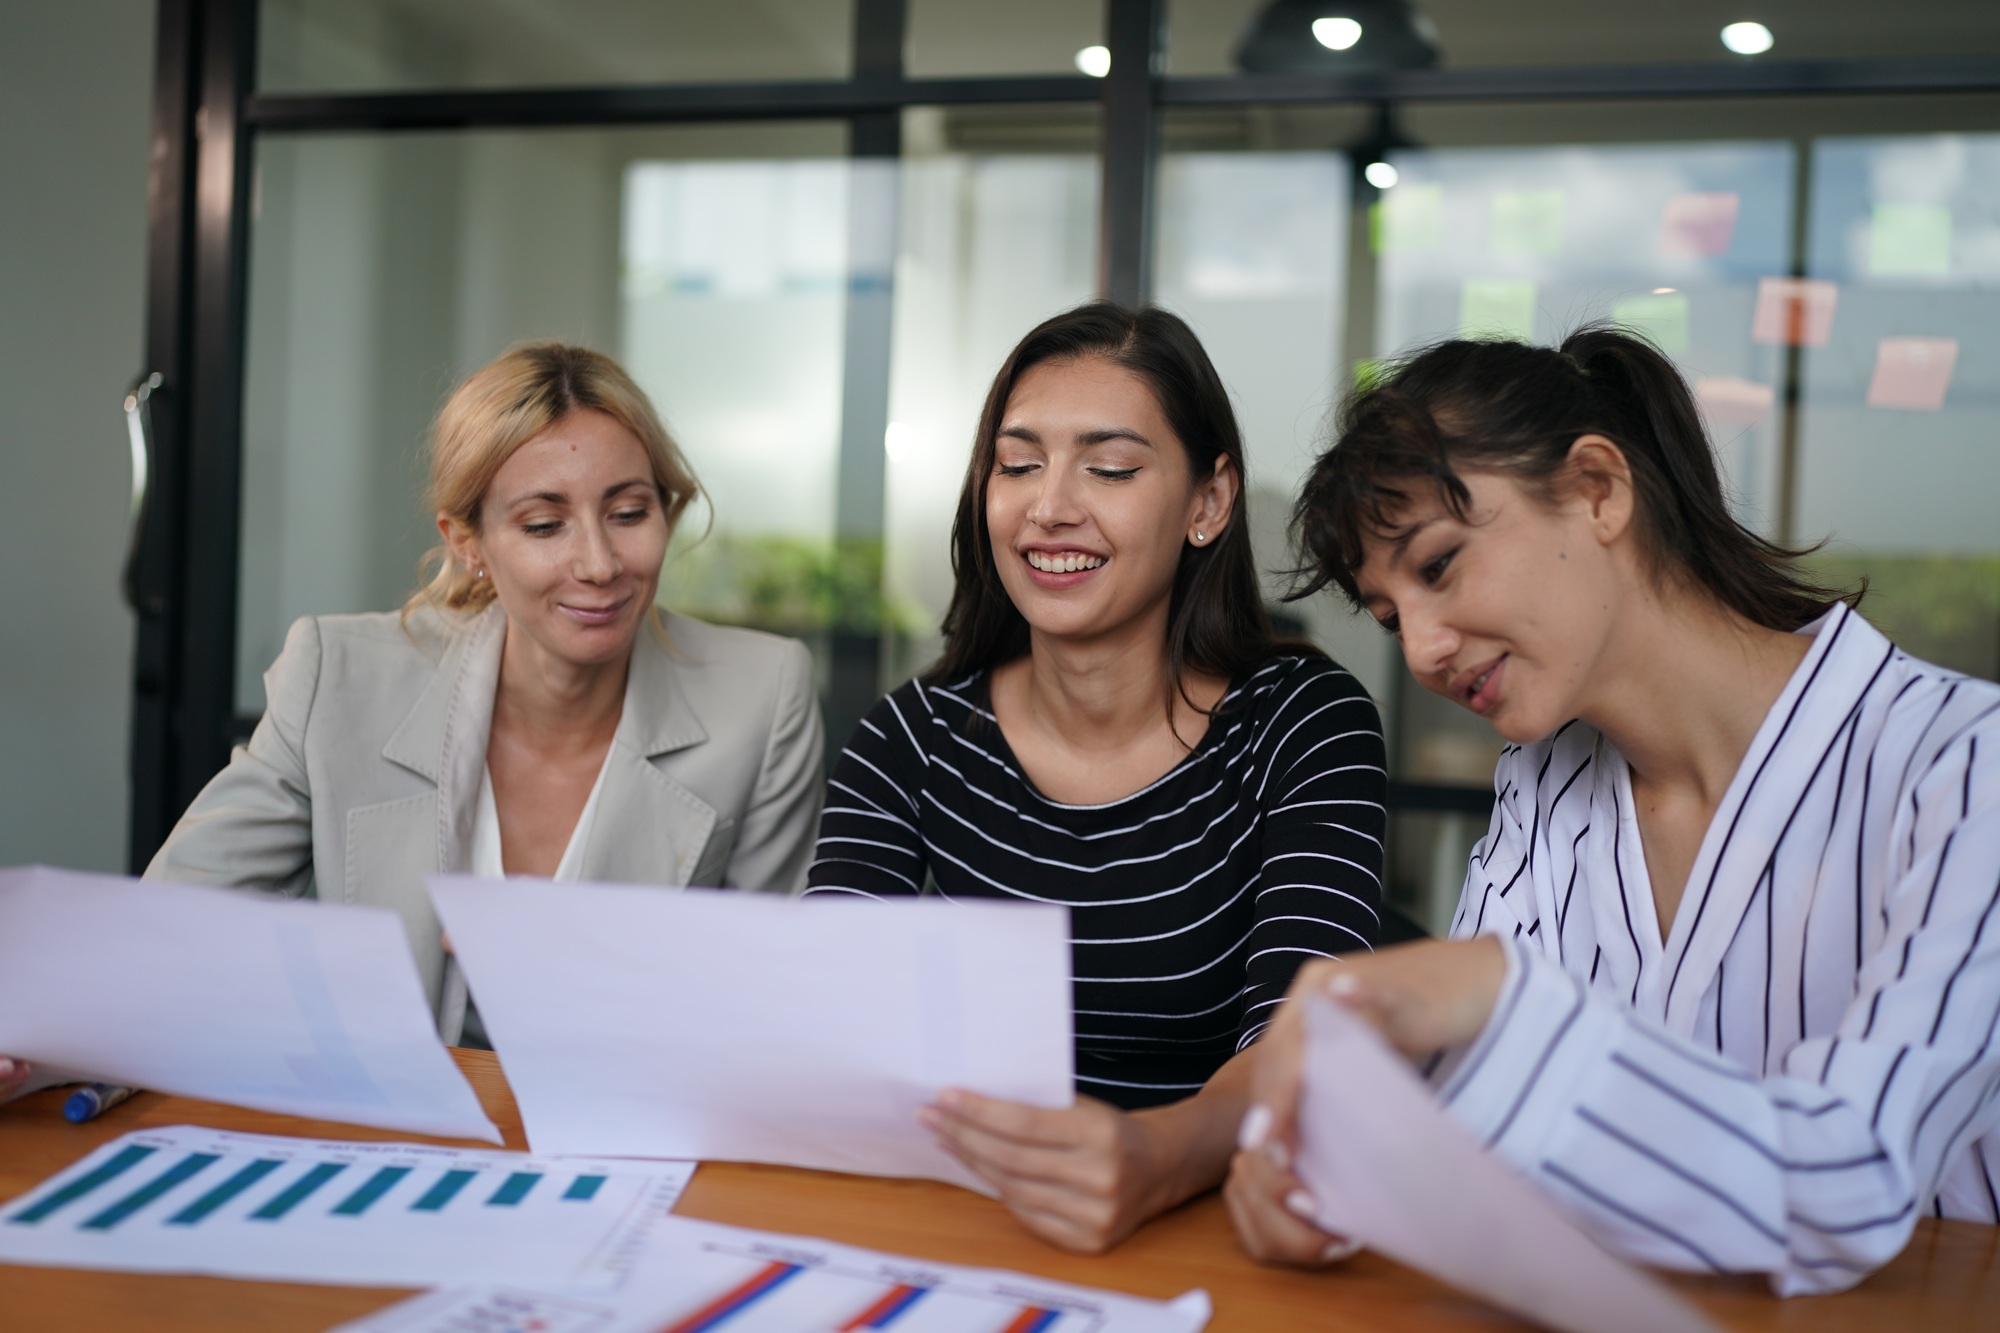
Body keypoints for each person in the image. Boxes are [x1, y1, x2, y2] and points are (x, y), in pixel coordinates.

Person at [1224, 327, 2000, 1295]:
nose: (1421, 648)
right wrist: (1334, 1163)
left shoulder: (1967, 767)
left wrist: (1498, 997)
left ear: (1597, 487)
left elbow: (1847, 1182)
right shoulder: (1542, 784)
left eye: (1437, 566)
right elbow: (1464, 1139)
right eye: (1387, 618)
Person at [806, 302, 1387, 1253]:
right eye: (1018, 462)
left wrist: (1157, 1156)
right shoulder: (910, 738)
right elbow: (831, 1021)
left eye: (1110, 468)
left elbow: (1301, 1038)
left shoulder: (1301, 722)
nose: (1049, 507)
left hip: (1213, 1232)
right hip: (955, 1220)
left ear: (1210, 501)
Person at [128, 343, 821, 1048]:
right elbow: (169, 931)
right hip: (398, 1126)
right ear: (468, 542)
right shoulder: (338, 676)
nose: (600, 564)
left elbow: (779, 1000)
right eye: (545, 525)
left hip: (634, 1129)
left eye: (629, 512)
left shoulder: (762, 696)